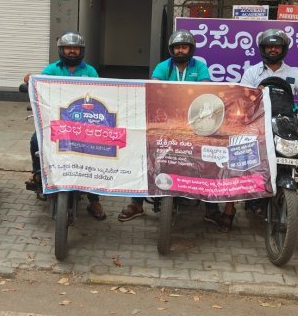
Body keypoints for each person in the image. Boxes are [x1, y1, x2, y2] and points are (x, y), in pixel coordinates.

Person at [117, 29, 228, 227]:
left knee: (210, 158)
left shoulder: (200, 67)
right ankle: (136, 203)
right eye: (177, 47)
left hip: (194, 125)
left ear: (191, 49)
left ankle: (211, 209)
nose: (180, 50)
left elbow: (205, 88)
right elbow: (154, 87)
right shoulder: (163, 67)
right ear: (171, 49)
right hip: (165, 123)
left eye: (184, 46)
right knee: (145, 156)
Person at [24, 31, 106, 220]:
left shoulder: (90, 72)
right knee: (36, 140)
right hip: (56, 120)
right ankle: (38, 174)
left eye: (75, 48)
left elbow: (101, 94)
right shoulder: (51, 70)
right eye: (68, 48)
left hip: (83, 123)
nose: (71, 52)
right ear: (61, 50)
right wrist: (31, 80)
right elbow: (39, 86)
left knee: (95, 152)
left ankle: (94, 200)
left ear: (81, 51)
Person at [239, 28, 298, 220]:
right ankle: (248, 202)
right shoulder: (252, 73)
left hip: (288, 127)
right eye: (269, 46)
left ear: (284, 49)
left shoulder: (294, 73)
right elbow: (242, 99)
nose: (273, 50)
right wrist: (254, 93)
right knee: (246, 163)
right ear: (262, 49)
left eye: (277, 47)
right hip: (260, 126)